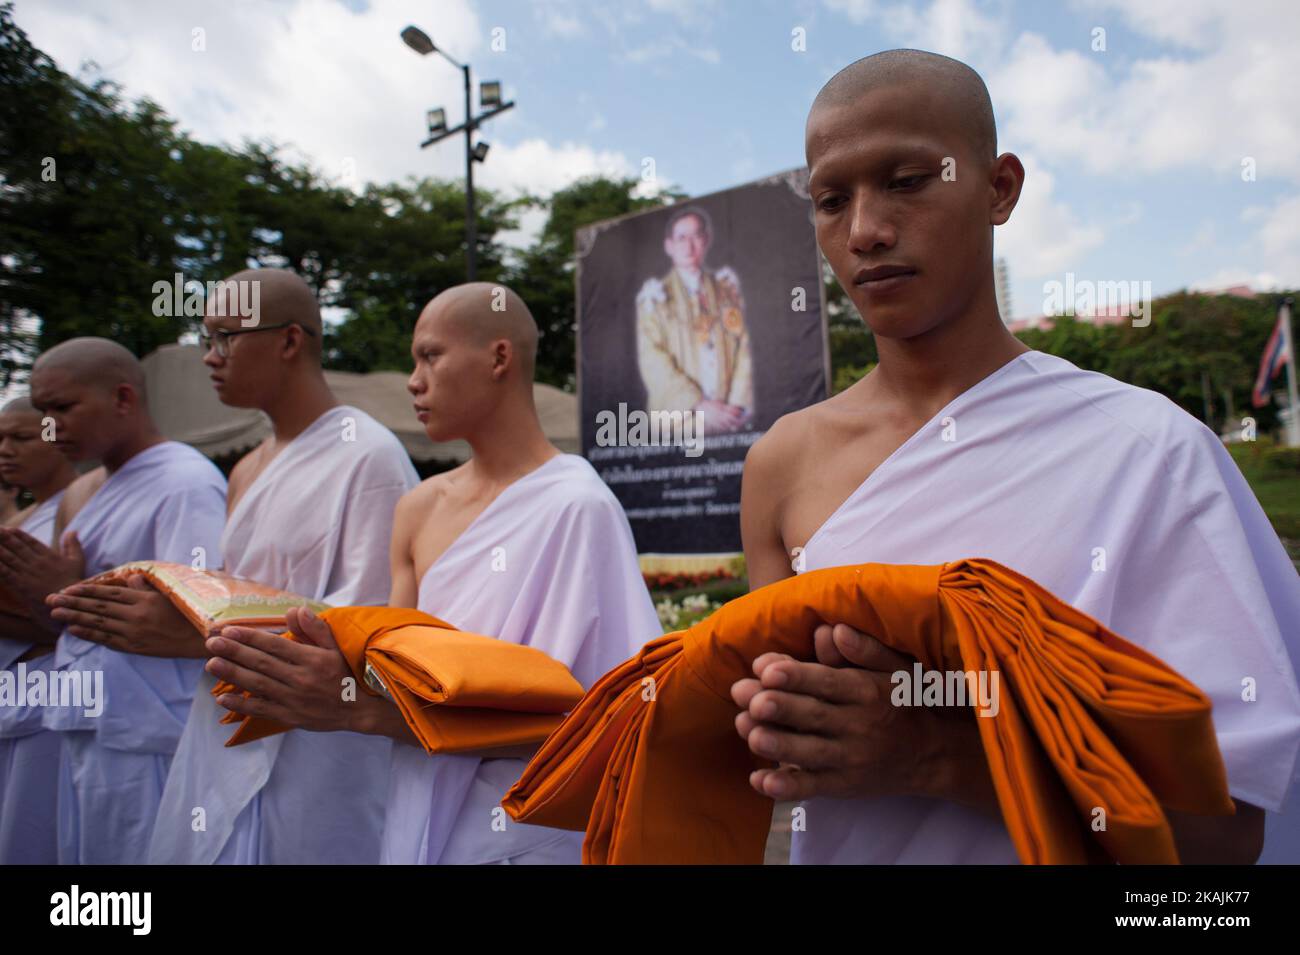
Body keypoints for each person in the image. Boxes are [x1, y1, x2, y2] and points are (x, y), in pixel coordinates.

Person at [733, 49, 1300, 864]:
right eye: (831, 200)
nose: (864, 230)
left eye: (908, 180)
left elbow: (1227, 829)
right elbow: (787, 745)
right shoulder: (781, 467)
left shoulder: (1150, 453)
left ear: (999, 188)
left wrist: (936, 752)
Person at [204, 282, 661, 864]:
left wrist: (358, 708)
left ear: (499, 358)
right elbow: (391, 671)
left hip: (523, 827)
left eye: (431, 356)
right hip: (415, 803)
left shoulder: (578, 506)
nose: (414, 380)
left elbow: (609, 719)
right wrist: (325, 670)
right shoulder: (418, 510)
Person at [48, 270, 418, 864]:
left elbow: (373, 628)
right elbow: (230, 594)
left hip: (320, 746)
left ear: (290, 342)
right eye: (206, 339)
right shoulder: (246, 469)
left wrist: (199, 636)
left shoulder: (367, 455)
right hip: (227, 713)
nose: (210, 358)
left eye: (225, 338)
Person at [0, 337, 228, 864]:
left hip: (146, 731)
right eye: (44, 412)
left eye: (63, 408)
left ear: (123, 398)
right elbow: (59, 630)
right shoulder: (84, 493)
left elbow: (203, 618)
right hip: (79, 719)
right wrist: (47, 598)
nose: (52, 427)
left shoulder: (184, 485)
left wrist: (65, 593)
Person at [0, 395, 78, 862]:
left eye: (21, 437)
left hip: (52, 700)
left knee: (35, 837)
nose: (5, 449)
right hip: (14, 695)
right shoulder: (27, 515)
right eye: (0, 439)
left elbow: (68, 619)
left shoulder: (82, 509)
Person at [637, 206, 754, 433]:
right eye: (681, 238)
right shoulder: (654, 299)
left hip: (728, 417)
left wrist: (735, 405)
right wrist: (697, 405)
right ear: (669, 245)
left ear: (706, 240)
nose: (689, 246)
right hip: (680, 421)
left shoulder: (726, 291)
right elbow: (652, 359)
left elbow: (744, 347)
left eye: (696, 236)